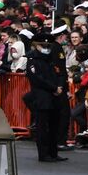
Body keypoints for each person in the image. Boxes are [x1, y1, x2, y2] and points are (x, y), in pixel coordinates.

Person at [25, 33, 66, 162]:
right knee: (43, 127)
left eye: (48, 45)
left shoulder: (51, 59)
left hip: (55, 97)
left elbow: (60, 73)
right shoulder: (33, 60)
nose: (46, 48)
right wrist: (53, 88)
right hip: (42, 97)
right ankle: (44, 154)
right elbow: (37, 79)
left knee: (54, 126)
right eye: (43, 45)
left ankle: (53, 152)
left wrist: (60, 87)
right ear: (36, 46)